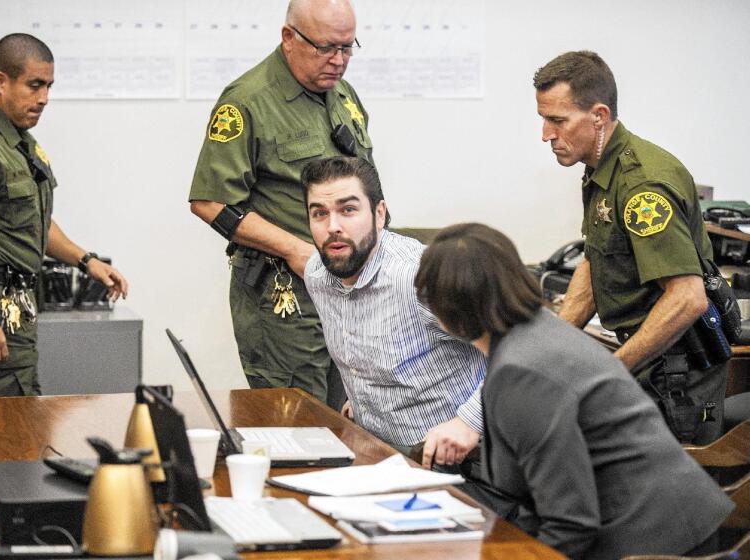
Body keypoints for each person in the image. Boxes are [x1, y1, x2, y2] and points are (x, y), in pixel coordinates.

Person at [415, 222, 734, 559]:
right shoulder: (539, 328)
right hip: (673, 523)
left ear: (446, 313)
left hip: (648, 542)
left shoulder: (518, 371)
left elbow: (570, 524)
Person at [189, 0, 374, 409]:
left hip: (346, 292)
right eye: (326, 48)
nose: (339, 60)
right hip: (285, 297)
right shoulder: (247, 101)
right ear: (289, 38)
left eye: (348, 47)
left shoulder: (341, 94)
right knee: (297, 423)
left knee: (345, 421)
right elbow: (210, 201)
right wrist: (296, 250)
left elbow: (364, 182)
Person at [534, 51, 727, 444]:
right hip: (646, 358)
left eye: (557, 121)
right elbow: (596, 257)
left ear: (599, 116)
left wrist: (612, 370)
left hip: (677, 375)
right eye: (543, 119)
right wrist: (550, 343)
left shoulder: (642, 187)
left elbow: (688, 298)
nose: (546, 134)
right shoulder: (601, 167)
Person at [0, 33, 128, 398]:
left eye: (49, 86)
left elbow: (34, 222)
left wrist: (86, 261)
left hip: (13, 305)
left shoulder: (19, 141)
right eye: (35, 85)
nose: (44, 99)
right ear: (0, 82)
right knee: (6, 428)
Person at [301, 156, 494, 507]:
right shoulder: (318, 274)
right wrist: (365, 397)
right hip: (378, 456)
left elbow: (516, 349)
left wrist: (470, 421)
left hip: (457, 467)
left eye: (347, 210)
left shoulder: (419, 277)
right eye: (319, 213)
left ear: (379, 213)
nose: (332, 227)